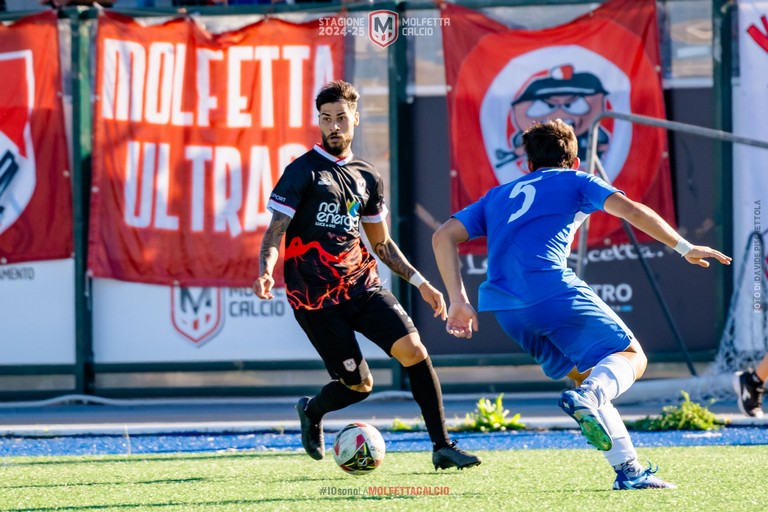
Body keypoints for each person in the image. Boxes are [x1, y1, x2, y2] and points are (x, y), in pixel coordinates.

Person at [432, 119, 732, 489]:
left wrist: (458, 300)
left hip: (507, 310)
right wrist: (685, 248)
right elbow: (633, 211)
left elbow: (443, 235)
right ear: (574, 161)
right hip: (549, 291)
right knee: (631, 356)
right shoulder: (577, 181)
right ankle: (590, 397)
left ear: (528, 164)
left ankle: (630, 471)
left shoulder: (499, 194)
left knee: (592, 376)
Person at [253, 80, 480, 471]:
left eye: (342, 117)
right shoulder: (301, 171)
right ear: (319, 122)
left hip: (362, 285)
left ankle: (443, 446)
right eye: (326, 119)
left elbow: (382, 244)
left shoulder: (367, 177)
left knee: (414, 350)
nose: (334, 126)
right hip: (315, 300)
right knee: (359, 387)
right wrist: (265, 270)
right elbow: (276, 230)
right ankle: (312, 411)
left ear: (356, 119)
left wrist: (423, 283)